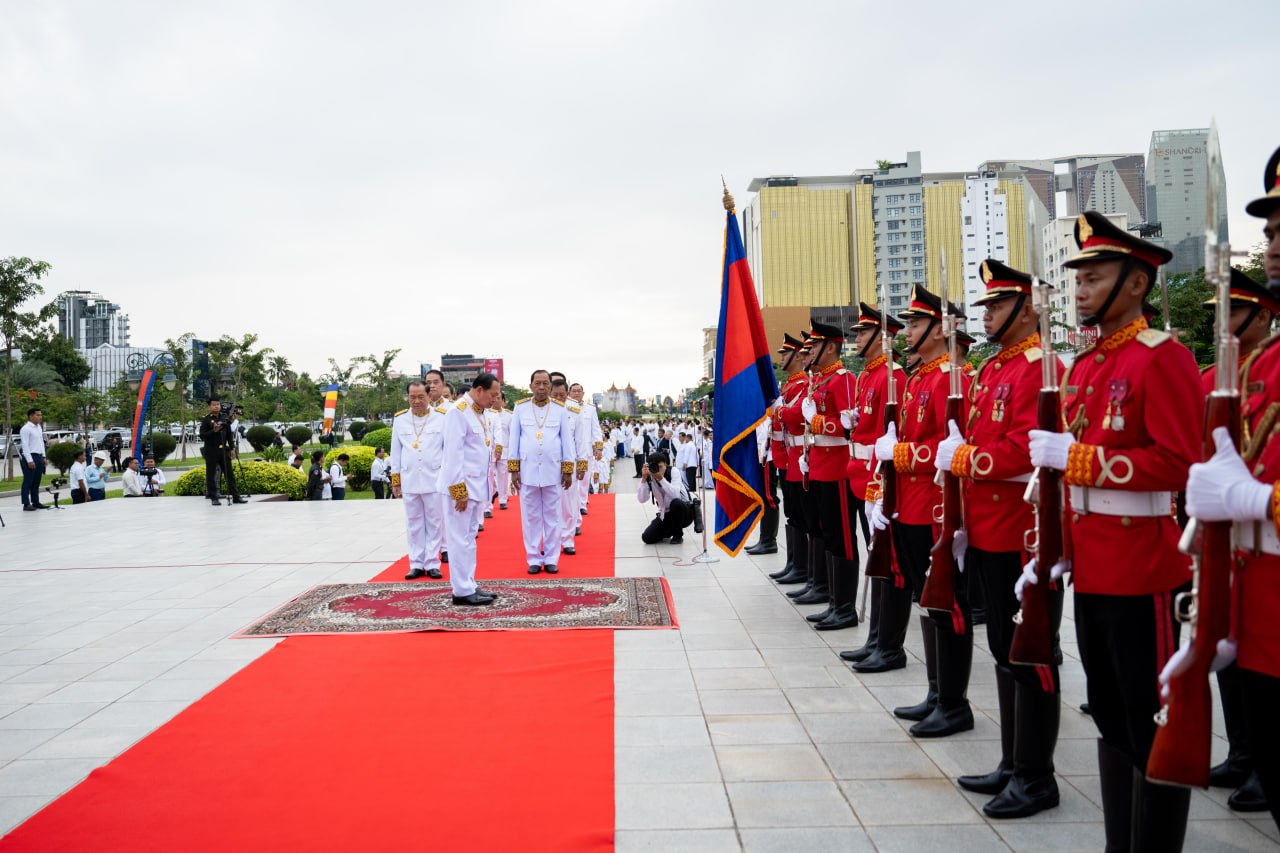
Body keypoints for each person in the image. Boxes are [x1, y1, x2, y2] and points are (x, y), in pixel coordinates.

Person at [1027, 211, 1198, 848]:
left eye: (1094, 277)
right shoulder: (1085, 366)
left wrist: (1075, 459)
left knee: (1150, 721)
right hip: (1095, 566)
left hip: (1143, 567)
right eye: (1078, 279)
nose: (1080, 289)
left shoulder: (1163, 358)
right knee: (1109, 714)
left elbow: (1179, 463)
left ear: (1136, 282)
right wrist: (1060, 548)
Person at [934, 259, 1064, 818]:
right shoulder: (992, 370)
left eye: (997, 304)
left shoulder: (1040, 367)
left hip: (1022, 532)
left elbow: (1023, 450)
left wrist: (964, 457)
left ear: (1028, 309)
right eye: (984, 304)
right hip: (988, 529)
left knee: (1031, 652)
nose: (985, 313)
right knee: (1003, 651)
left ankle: (1037, 775)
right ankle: (1014, 762)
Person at [1182, 152, 1280, 835]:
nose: (1272, 242)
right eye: (1270, 231)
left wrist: (1257, 502)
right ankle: (1247, 754)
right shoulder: (1256, 369)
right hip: (1252, 575)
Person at [867, 289, 974, 744]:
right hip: (909, 505)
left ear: (940, 329)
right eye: (908, 324)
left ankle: (954, 702)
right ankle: (936, 692)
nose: (906, 332)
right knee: (927, 602)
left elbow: (953, 448)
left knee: (947, 604)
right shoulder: (916, 380)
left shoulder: (953, 379)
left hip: (936, 507)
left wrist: (901, 453)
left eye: (914, 324)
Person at [839, 305, 905, 665]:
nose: (858, 337)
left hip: (876, 478)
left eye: (864, 332)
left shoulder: (892, 376)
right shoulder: (867, 375)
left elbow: (889, 436)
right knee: (874, 559)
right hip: (859, 473)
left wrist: (880, 487)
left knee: (885, 561)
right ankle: (876, 638)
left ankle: (887, 644)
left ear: (883, 337)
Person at [799, 321, 861, 632]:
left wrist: (817, 422)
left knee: (842, 538)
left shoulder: (843, 379)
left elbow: (850, 426)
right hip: (820, 465)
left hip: (838, 467)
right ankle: (835, 602)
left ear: (831, 347)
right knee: (828, 535)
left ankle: (845, 608)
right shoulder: (820, 381)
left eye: (815, 345)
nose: (810, 350)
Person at [439, 373, 504, 605]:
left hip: (476, 487)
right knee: (459, 540)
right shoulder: (458, 412)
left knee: (469, 538)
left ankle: (469, 583)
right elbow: (453, 455)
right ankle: (461, 591)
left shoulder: (480, 411)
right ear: (478, 390)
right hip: (461, 489)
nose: (495, 399)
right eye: (492, 394)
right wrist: (459, 492)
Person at [508, 369, 576, 575]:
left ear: (550, 386)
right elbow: (514, 439)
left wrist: (567, 470)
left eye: (545, 383)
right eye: (537, 383)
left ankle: (552, 558)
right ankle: (534, 558)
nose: (541, 387)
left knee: (553, 517)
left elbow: (566, 441)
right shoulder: (520, 408)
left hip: (552, 470)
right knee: (530, 518)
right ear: (530, 386)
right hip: (527, 470)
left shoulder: (559, 409)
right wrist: (514, 470)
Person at [392, 376, 450, 579]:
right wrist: (396, 480)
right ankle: (416, 563)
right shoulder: (400, 419)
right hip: (409, 479)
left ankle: (432, 562)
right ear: (407, 397)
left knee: (435, 522)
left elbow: (447, 450)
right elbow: (396, 452)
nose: (416, 401)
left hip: (434, 478)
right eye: (412, 397)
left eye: (420, 397)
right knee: (413, 523)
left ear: (428, 395)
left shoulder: (441, 417)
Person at [554, 378, 588, 557]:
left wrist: (582, 464)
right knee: (550, 506)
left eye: (562, 395)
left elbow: (580, 440)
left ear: (567, 394)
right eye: (555, 395)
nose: (558, 398)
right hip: (548, 464)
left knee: (568, 503)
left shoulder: (574, 411)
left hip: (569, 463)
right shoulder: (541, 411)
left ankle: (567, 540)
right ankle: (551, 542)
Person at [638, 453, 693, 544]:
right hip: (666, 513)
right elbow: (642, 499)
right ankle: (669, 530)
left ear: (665, 464)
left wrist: (661, 479)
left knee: (676, 503)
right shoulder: (650, 477)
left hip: (684, 512)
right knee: (647, 537)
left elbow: (675, 495)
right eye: (654, 467)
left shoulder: (673, 471)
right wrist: (644, 479)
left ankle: (678, 535)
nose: (657, 470)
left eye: (660, 466)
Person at [200, 397, 246, 506]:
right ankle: (213, 497)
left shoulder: (225, 418)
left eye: (218, 404)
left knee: (229, 474)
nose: (216, 406)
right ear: (209, 406)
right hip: (211, 451)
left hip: (223, 450)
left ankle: (236, 497)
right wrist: (213, 431)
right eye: (214, 405)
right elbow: (202, 436)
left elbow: (229, 434)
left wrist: (232, 448)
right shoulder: (206, 420)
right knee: (211, 475)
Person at [19, 407, 49, 511]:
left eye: (41, 415)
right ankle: (26, 504)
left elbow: (41, 443)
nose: (40, 417)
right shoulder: (26, 429)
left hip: (39, 456)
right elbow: (25, 445)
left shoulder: (38, 427)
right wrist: (29, 460)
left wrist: (44, 457)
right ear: (31, 416)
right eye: (38, 415)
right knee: (28, 481)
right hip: (30, 456)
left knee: (36, 481)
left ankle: (35, 502)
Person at [491, 390, 513, 511]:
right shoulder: (486, 414)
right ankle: (492, 495)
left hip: (504, 450)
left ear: (503, 401)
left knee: (503, 476)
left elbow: (512, 435)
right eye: (493, 397)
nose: (495, 400)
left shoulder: (509, 416)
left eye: (498, 398)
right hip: (490, 450)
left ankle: (503, 499)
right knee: (490, 476)